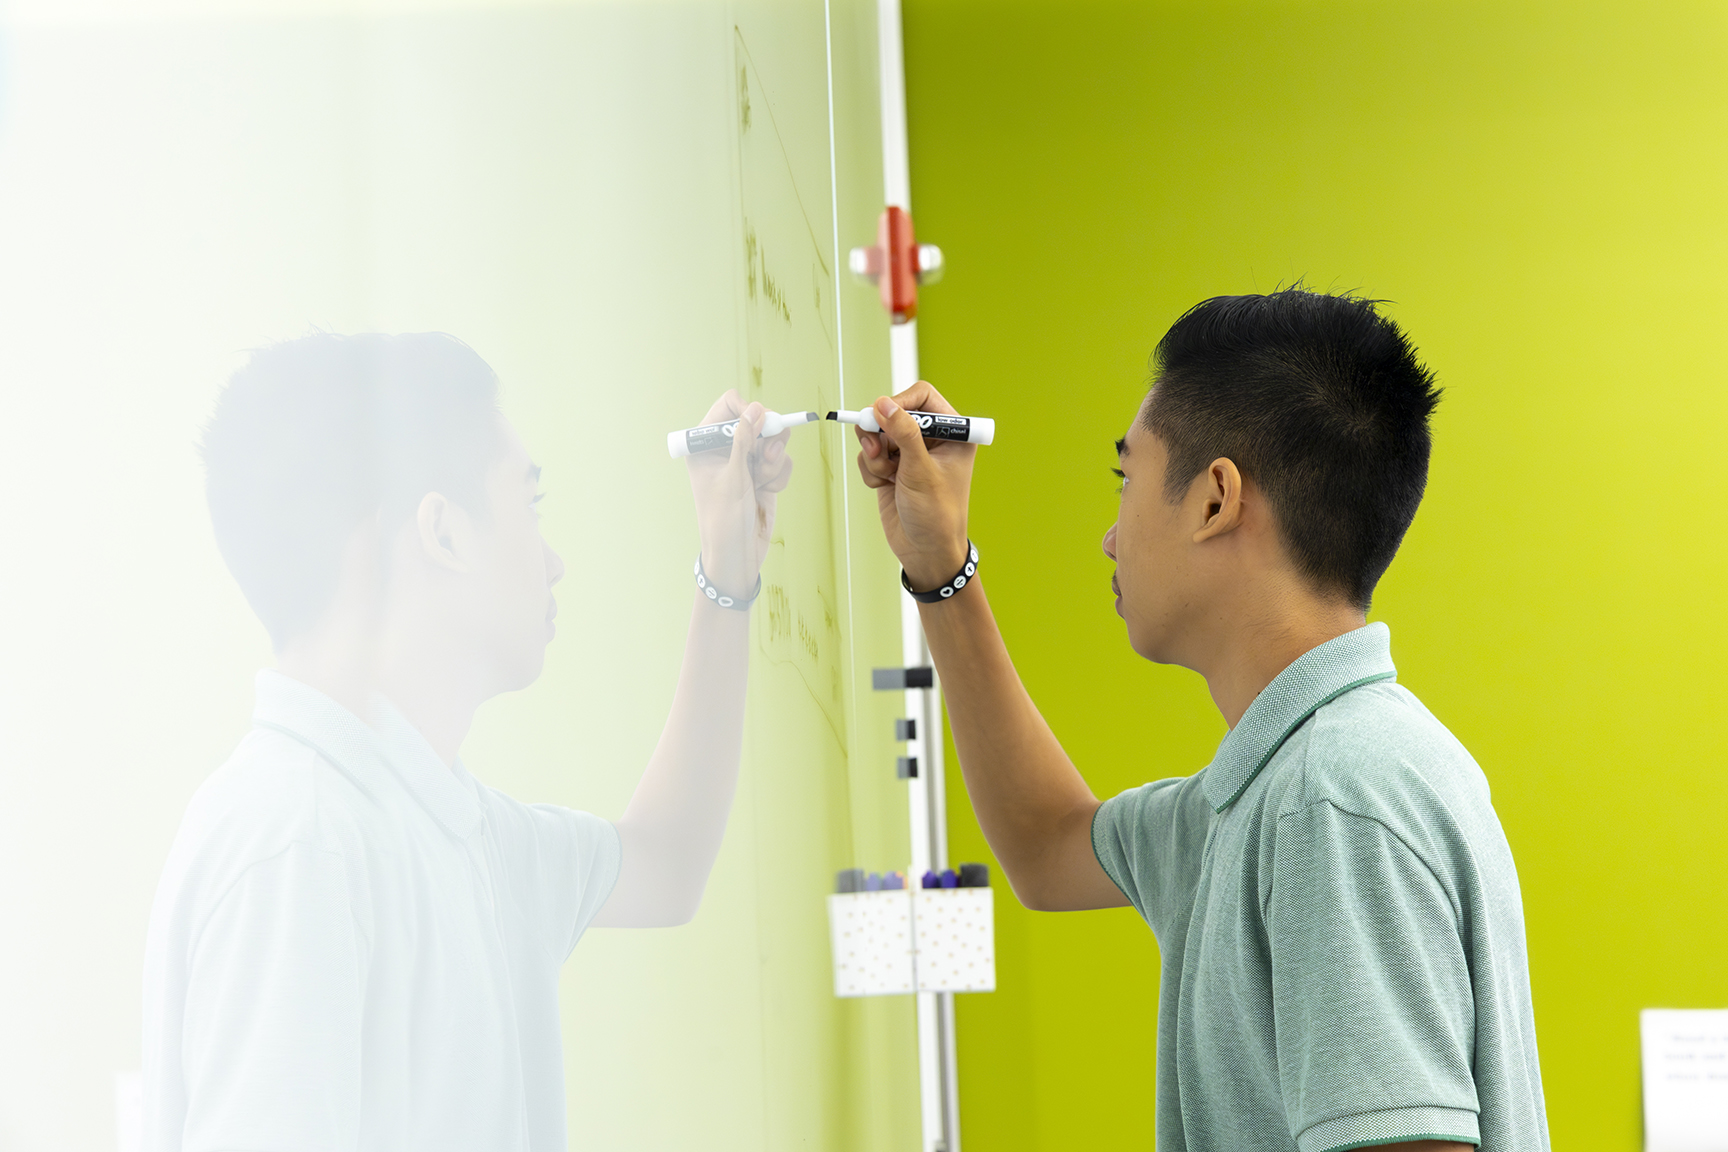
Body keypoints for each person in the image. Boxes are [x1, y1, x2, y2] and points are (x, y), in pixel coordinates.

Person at [852, 289, 1548, 1152]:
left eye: (1127, 481)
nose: (1110, 537)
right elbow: (1046, 845)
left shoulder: (1331, 801)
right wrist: (940, 565)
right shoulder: (1264, 795)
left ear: (1216, 499)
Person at [142, 332, 790, 1152]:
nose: (554, 562)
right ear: (444, 533)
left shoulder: (456, 833)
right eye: (530, 503)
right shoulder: (294, 844)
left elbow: (666, 866)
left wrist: (727, 569)